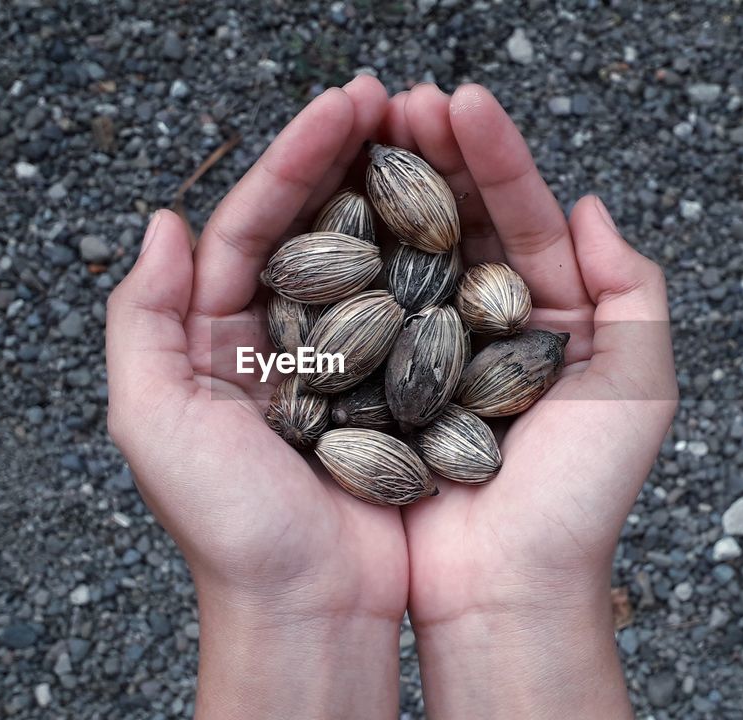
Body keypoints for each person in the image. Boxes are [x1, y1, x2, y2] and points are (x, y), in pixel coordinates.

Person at [105, 75, 677, 719]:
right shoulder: (339, 362)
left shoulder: (391, 335)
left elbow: (366, 357)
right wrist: (525, 604)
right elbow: (333, 365)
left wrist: (286, 609)